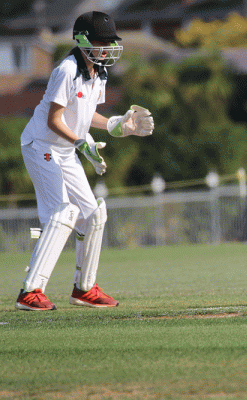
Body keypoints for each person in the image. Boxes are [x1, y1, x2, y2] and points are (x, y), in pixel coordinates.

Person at [15, 11, 154, 310]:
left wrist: (119, 125)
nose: (106, 48)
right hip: (42, 145)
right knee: (63, 213)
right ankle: (31, 291)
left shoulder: (99, 73)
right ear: (81, 40)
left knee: (93, 215)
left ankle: (84, 289)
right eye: (101, 42)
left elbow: (85, 113)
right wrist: (80, 142)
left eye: (109, 42)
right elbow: (54, 119)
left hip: (65, 149)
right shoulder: (66, 70)